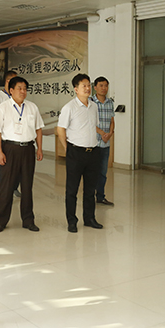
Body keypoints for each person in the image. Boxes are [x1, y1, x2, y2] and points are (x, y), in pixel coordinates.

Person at [0, 76, 44, 233]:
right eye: (19, 88)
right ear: (11, 90)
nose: (23, 91)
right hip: (9, 149)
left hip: (28, 149)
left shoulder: (32, 107)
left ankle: (28, 220)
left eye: (25, 89)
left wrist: (39, 148)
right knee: (6, 186)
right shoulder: (2, 108)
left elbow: (38, 129)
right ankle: (1, 221)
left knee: (27, 186)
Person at [56, 73, 103, 233]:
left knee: (90, 189)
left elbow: (93, 126)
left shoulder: (94, 106)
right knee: (72, 190)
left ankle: (89, 218)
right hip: (75, 152)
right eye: (84, 86)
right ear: (76, 89)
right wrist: (67, 148)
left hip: (93, 152)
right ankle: (72, 221)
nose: (88, 88)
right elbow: (61, 129)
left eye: (89, 85)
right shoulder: (69, 107)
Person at [0, 70, 21, 198]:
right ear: (8, 81)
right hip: (5, 136)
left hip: (17, 135)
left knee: (18, 165)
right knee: (3, 164)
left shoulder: (17, 96)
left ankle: (14, 187)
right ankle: (3, 189)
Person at [89, 76, 115, 206]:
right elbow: (89, 122)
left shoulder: (110, 102)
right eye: (101, 86)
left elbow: (112, 120)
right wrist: (102, 133)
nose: (104, 88)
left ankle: (100, 196)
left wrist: (110, 134)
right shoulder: (90, 102)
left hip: (105, 143)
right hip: (93, 143)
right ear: (95, 88)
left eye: (106, 86)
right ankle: (89, 197)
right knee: (92, 172)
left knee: (103, 173)